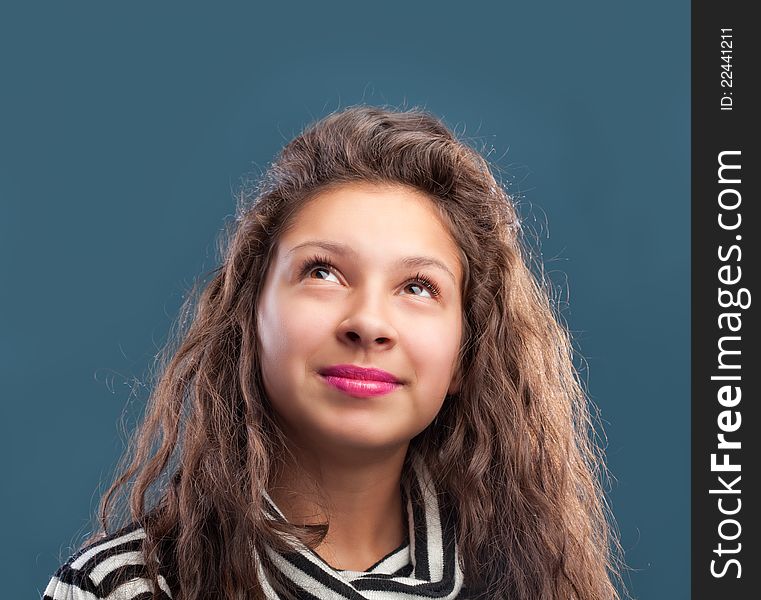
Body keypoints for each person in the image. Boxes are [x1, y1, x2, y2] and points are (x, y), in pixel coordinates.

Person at [42, 106, 622, 599]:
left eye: (418, 286)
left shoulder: (536, 583)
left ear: (466, 357)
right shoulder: (122, 588)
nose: (369, 322)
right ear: (249, 318)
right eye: (323, 272)